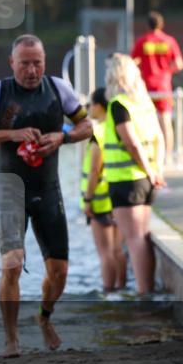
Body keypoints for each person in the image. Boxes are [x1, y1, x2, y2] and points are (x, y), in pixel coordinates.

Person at [0, 35, 92, 358]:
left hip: (48, 189)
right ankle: (11, 339)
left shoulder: (59, 89)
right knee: (12, 265)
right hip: (10, 190)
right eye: (25, 64)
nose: (32, 70)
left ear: (44, 62)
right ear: (12, 63)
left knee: (59, 271)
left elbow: (87, 125)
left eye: (38, 63)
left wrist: (62, 136)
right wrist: (10, 133)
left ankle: (44, 317)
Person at [103, 54, 166, 296]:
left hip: (126, 181)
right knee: (143, 236)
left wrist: (150, 172)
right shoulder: (144, 103)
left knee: (134, 239)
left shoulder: (119, 104)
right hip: (146, 180)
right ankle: (147, 289)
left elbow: (132, 144)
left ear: (114, 76)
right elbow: (159, 138)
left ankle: (143, 294)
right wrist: (156, 171)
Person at [81, 88, 126, 294]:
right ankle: (122, 289)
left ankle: (108, 293)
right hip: (117, 196)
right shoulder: (116, 127)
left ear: (99, 106)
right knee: (117, 250)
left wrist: (88, 200)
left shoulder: (98, 132)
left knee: (105, 252)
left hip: (100, 201)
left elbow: (93, 171)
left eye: (90, 104)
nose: (88, 108)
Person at [131, 11, 183, 164]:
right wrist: (165, 71)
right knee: (166, 122)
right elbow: (179, 64)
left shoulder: (143, 41)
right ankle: (168, 156)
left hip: (146, 87)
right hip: (163, 87)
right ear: (162, 24)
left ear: (147, 25)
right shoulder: (169, 41)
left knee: (144, 121)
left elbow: (132, 62)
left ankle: (148, 156)